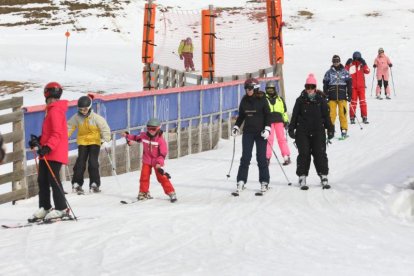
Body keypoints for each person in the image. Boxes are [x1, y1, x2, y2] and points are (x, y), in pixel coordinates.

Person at [28, 82, 70, 221]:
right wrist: (38, 141)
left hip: (54, 151)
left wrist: (47, 147)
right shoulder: (51, 110)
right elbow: (49, 133)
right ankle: (45, 207)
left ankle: (61, 208)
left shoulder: (55, 110)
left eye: (53, 98)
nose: (52, 100)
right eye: (50, 98)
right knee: (42, 180)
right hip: (47, 151)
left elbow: (57, 134)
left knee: (53, 179)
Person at [288, 74, 334, 189]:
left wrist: (330, 129)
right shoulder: (300, 100)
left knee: (320, 153)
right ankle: (302, 176)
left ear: (315, 87)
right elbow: (294, 116)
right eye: (307, 87)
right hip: (302, 131)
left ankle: (323, 175)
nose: (309, 89)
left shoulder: (321, 100)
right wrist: (291, 128)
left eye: (311, 87)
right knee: (304, 153)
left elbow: (327, 117)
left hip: (318, 130)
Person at [121, 118, 177, 203]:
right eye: (149, 128)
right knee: (144, 176)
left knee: (161, 177)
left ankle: (171, 192)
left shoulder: (160, 140)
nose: (151, 131)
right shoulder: (144, 136)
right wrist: (127, 136)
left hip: (156, 162)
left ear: (158, 128)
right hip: (146, 160)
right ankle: (143, 193)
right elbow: (136, 138)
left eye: (153, 129)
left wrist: (159, 163)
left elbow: (163, 154)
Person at [232, 78, 271, 193]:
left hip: (261, 133)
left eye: (249, 88)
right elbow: (241, 116)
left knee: (261, 158)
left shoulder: (263, 100)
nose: (247, 91)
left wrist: (267, 129)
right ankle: (241, 181)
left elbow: (268, 115)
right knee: (245, 157)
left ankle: (264, 182)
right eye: (246, 88)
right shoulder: (244, 101)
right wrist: (236, 126)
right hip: (248, 132)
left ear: (255, 88)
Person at [68, 95, 111, 194]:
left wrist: (106, 139)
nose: (83, 111)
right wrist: (63, 137)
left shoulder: (96, 118)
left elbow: (105, 128)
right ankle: (76, 184)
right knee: (80, 163)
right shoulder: (76, 117)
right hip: (83, 142)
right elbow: (69, 127)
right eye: (81, 109)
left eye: (85, 109)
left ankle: (94, 184)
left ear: (90, 107)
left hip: (95, 142)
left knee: (93, 163)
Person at [323, 55, 352, 138]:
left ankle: (344, 130)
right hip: (332, 97)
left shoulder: (345, 72)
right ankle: (330, 130)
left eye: (337, 61)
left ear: (340, 61)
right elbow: (325, 85)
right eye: (334, 61)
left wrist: (349, 95)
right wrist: (326, 95)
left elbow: (349, 84)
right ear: (332, 62)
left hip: (342, 96)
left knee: (343, 114)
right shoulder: (329, 72)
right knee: (332, 114)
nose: (336, 63)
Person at [264, 81, 291, 166]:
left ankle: (286, 156)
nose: (270, 91)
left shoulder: (280, 99)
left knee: (281, 139)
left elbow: (284, 112)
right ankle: (267, 157)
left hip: (279, 121)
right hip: (269, 121)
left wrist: (286, 121)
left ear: (275, 90)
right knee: (269, 139)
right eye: (268, 90)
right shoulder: (264, 99)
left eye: (272, 90)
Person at [345, 51, 370, 124]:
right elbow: (344, 72)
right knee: (353, 103)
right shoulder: (350, 64)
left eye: (358, 58)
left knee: (362, 102)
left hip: (361, 87)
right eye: (355, 58)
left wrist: (364, 63)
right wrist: (347, 64)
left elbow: (368, 71)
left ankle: (364, 116)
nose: (356, 59)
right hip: (353, 87)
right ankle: (352, 117)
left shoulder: (361, 64)